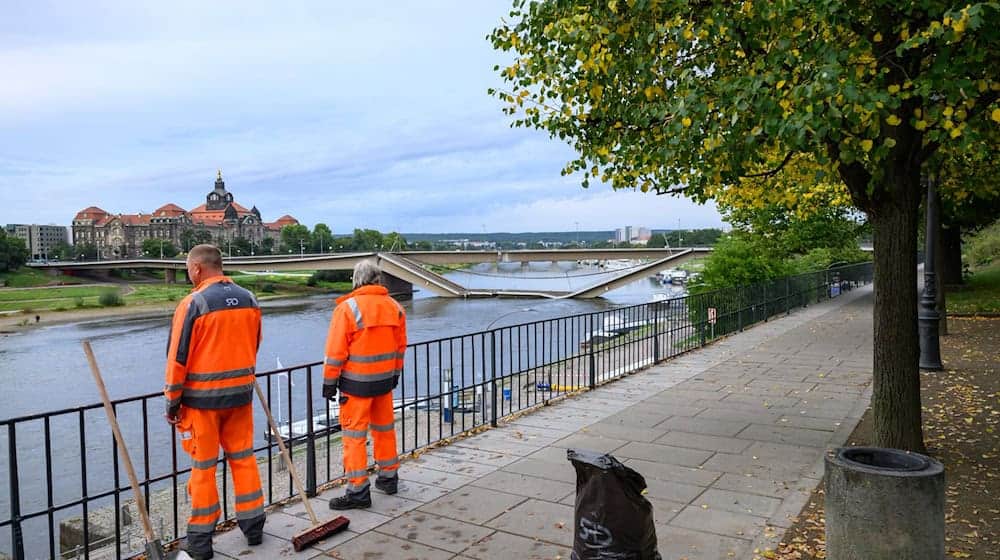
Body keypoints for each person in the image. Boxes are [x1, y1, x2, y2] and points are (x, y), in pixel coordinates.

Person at [163, 244, 265, 559]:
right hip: (240, 396)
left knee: (203, 468)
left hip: (201, 403)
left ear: (197, 268)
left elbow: (178, 356)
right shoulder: (249, 299)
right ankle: (254, 527)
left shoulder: (193, 303)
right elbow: (256, 342)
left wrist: (172, 400)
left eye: (187, 269)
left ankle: (200, 541)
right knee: (243, 458)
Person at [323, 259, 407, 509]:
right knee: (384, 430)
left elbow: (335, 351)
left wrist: (329, 382)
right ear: (379, 279)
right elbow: (401, 347)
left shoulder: (348, 309)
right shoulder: (395, 307)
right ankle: (389, 478)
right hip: (384, 382)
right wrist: (395, 374)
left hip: (356, 385)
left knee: (354, 437)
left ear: (356, 280)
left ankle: (358, 492)